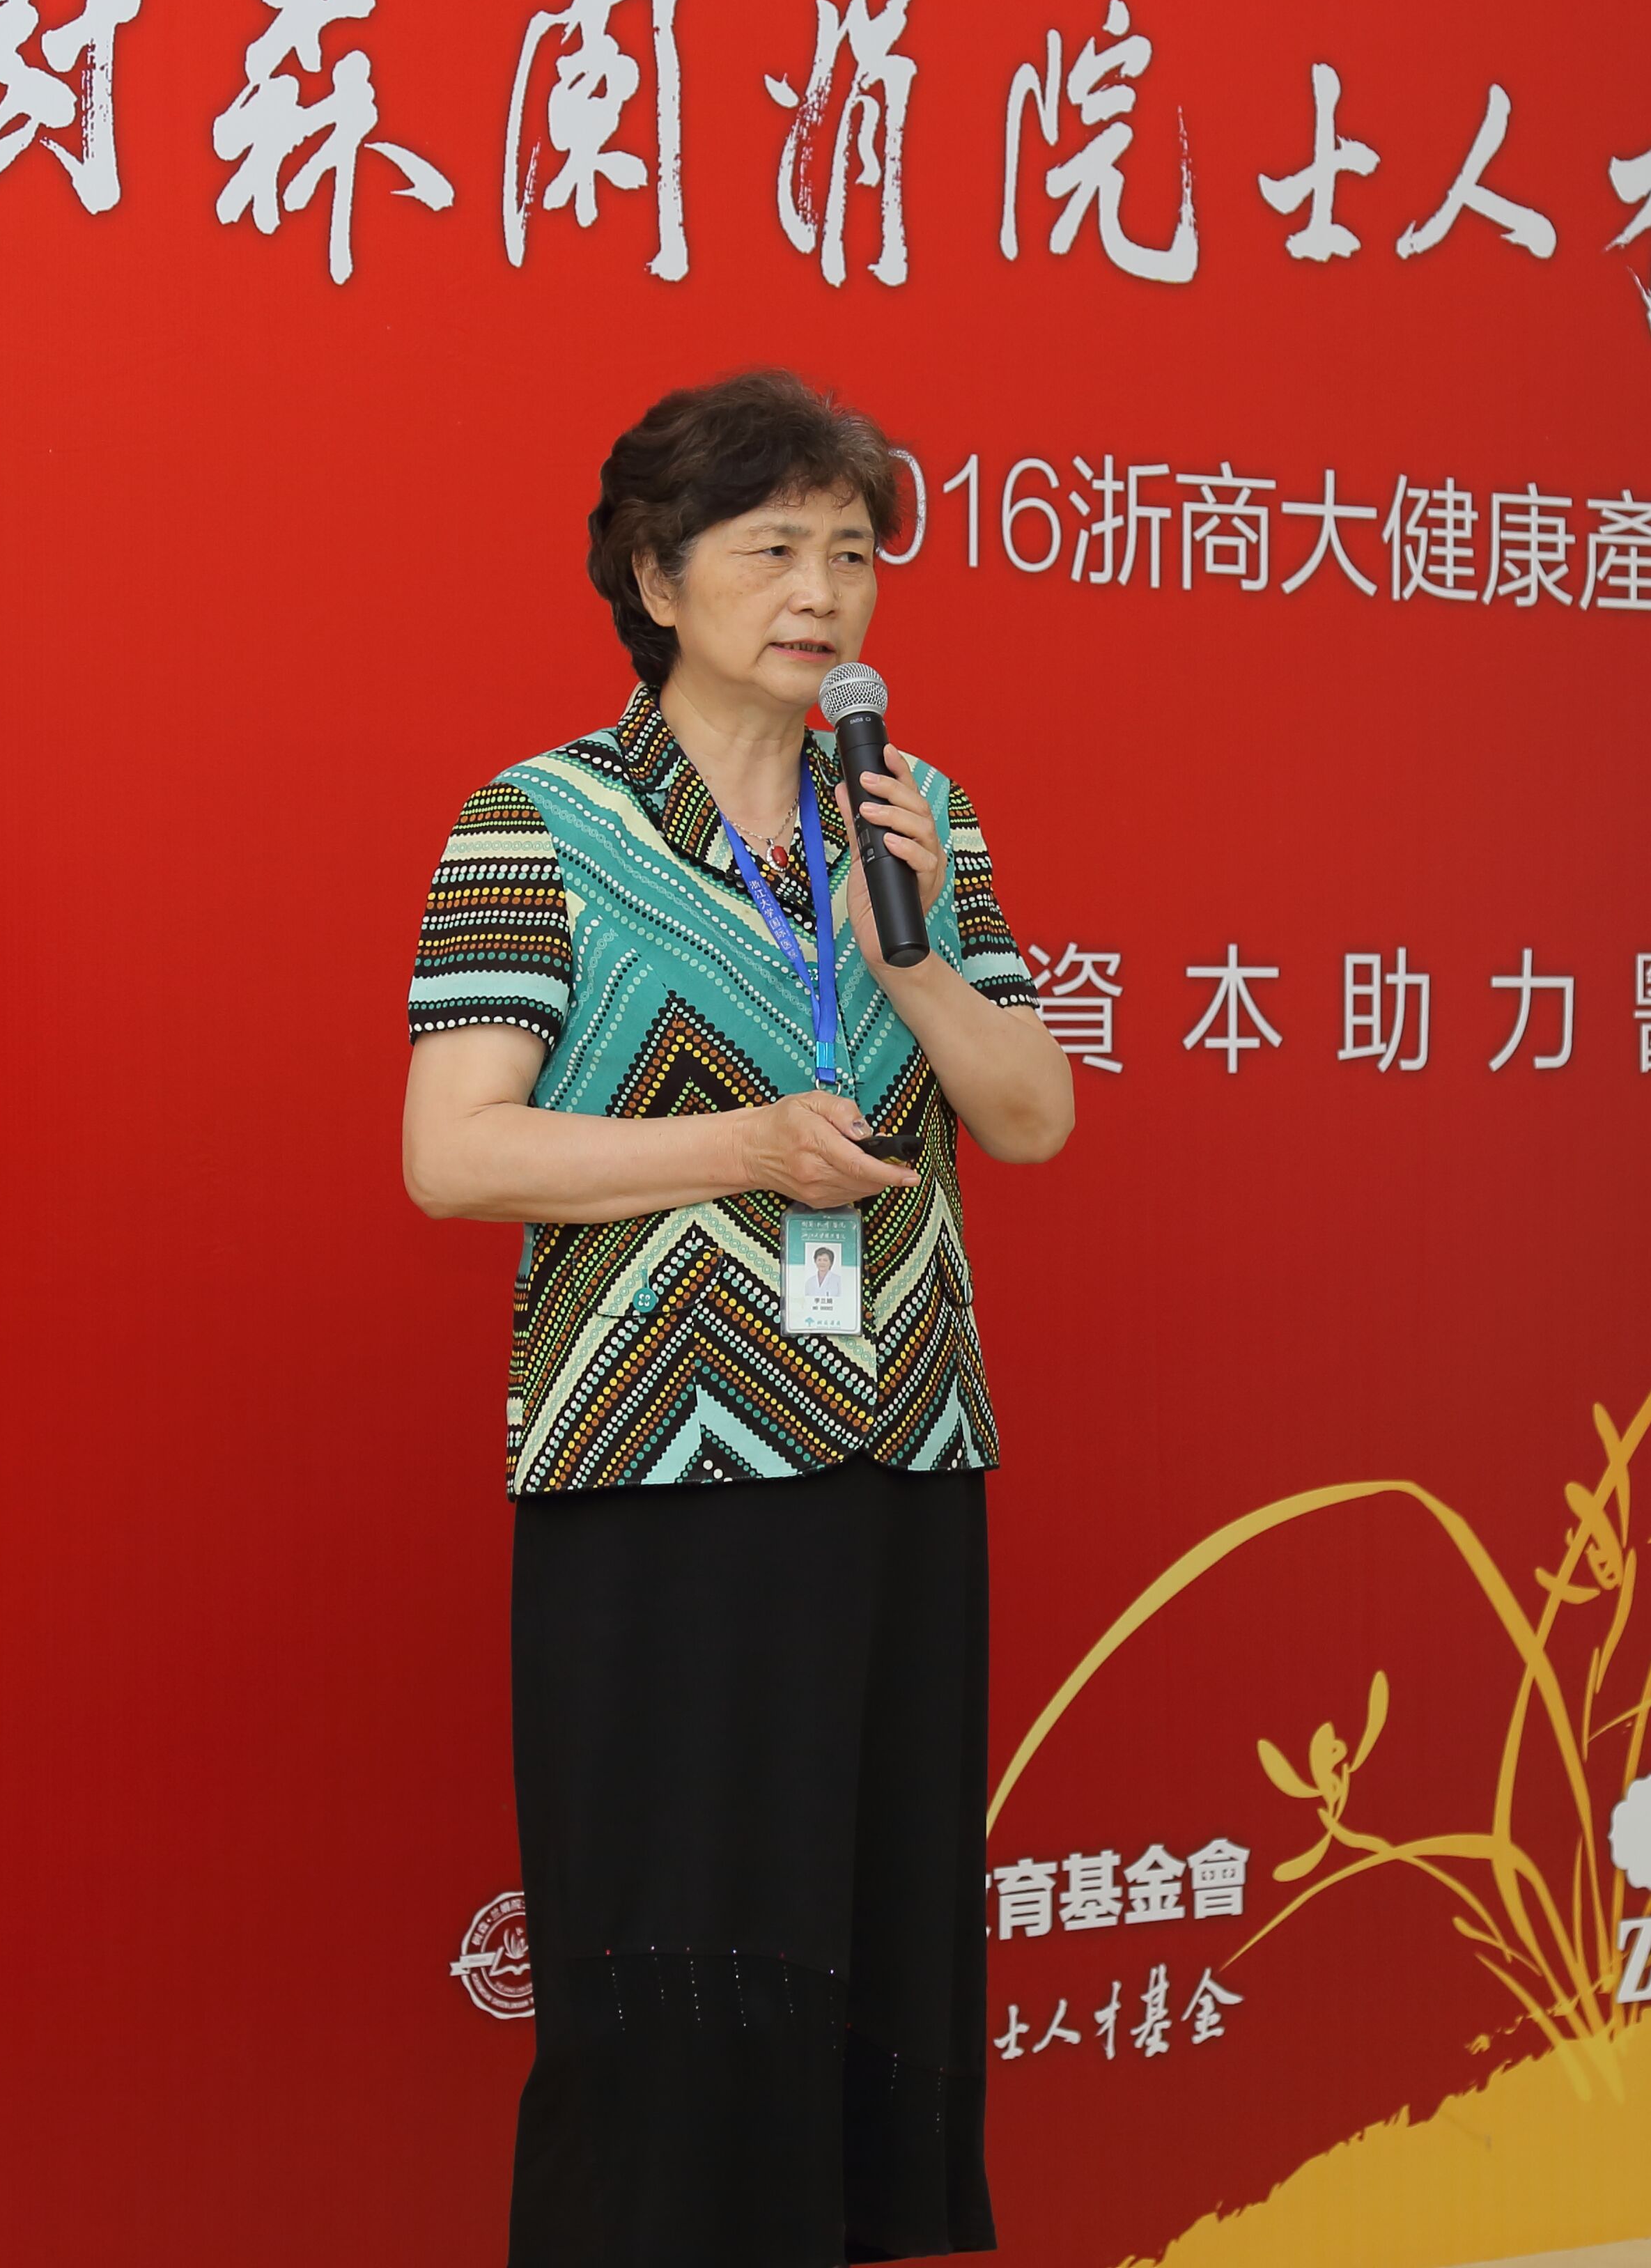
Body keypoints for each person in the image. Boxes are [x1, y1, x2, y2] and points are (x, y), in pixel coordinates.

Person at [402, 370, 1073, 2266]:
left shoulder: (916, 820)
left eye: (852, 554)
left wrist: (910, 964)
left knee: (868, 1938)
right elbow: (454, 1155)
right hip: (660, 1473)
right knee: (680, 1947)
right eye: (774, 549)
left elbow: (1033, 1116)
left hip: (900, 1447)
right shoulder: (539, 825)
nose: (821, 593)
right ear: (656, 575)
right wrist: (743, 1147)